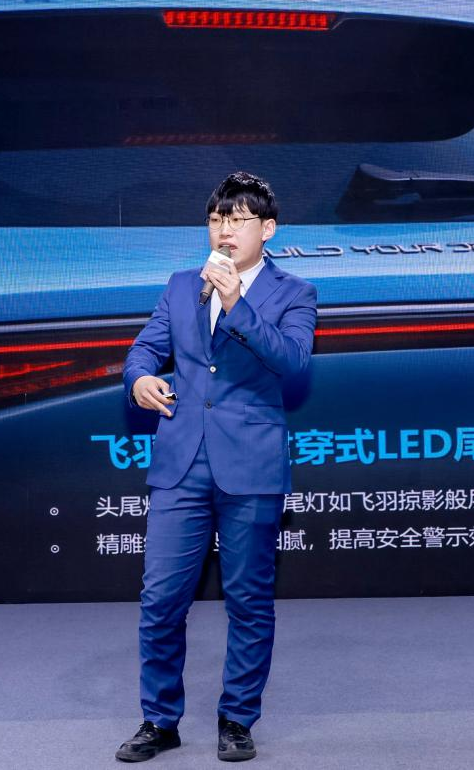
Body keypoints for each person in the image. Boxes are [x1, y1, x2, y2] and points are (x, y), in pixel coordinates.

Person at [115, 171, 317, 763]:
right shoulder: (182, 285)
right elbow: (146, 348)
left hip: (250, 465)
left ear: (268, 229)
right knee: (161, 599)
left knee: (248, 600)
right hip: (180, 463)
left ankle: (237, 719)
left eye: (238, 220)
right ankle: (160, 720)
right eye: (216, 220)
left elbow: (292, 362)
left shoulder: (294, 292)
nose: (225, 231)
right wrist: (140, 378)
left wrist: (235, 303)